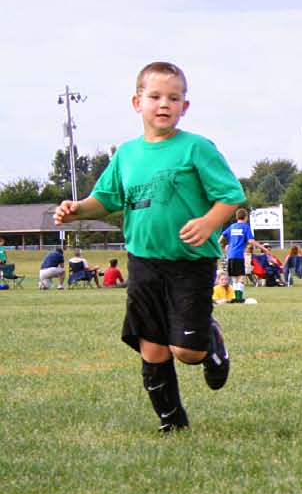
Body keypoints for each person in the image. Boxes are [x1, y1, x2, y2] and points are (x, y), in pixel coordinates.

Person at [54, 61, 244, 433]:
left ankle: (211, 337)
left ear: (184, 107)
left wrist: (208, 222)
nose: (163, 104)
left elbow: (230, 197)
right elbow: (106, 199)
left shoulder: (196, 149)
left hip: (190, 261)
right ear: (136, 102)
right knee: (152, 347)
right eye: (154, 96)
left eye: (174, 98)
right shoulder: (127, 154)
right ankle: (172, 423)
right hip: (143, 261)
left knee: (187, 353)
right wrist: (77, 210)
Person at [223, 208, 259, 304]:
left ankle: (235, 298)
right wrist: (262, 248)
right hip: (239, 255)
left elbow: (222, 236)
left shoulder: (232, 226)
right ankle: (239, 299)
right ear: (246, 217)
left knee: (235, 279)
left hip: (230, 255)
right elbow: (251, 241)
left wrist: (218, 246)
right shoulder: (245, 227)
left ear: (236, 217)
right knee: (241, 277)